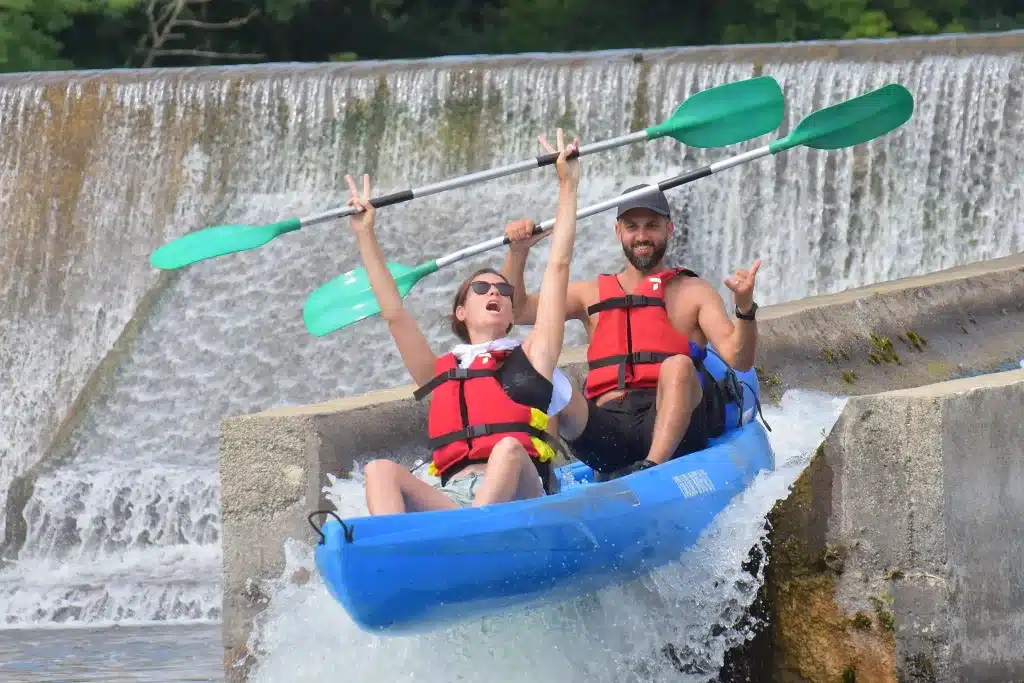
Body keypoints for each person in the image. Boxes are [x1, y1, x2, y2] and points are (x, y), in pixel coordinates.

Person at [353, 129, 582, 515]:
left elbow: (558, 266)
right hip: (455, 499)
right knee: (379, 471)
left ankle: (469, 538)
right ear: (460, 312)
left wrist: (568, 183)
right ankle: (396, 553)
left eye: (503, 292)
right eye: (481, 288)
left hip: (521, 494)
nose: (494, 293)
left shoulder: (533, 357)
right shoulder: (438, 371)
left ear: (511, 316)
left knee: (508, 448)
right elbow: (394, 313)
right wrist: (365, 235)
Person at [501, 184, 761, 479]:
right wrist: (517, 253)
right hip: (606, 433)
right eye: (632, 227)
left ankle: (653, 470)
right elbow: (518, 310)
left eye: (652, 226)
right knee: (543, 377)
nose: (641, 236)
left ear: (669, 228)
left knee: (678, 365)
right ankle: (540, 481)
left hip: (672, 426)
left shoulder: (694, 292)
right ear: (618, 232)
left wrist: (744, 307)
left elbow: (739, 359)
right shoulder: (590, 294)